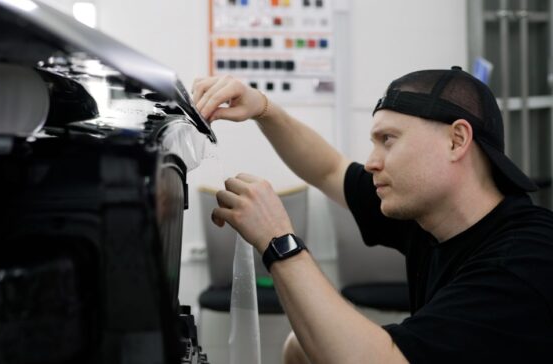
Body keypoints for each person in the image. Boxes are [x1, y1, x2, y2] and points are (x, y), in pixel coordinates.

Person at [191, 67, 553, 363]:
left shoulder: (524, 259)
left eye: (389, 140)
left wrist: (278, 241)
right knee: (300, 348)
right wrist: (264, 108)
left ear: (457, 141)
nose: (371, 162)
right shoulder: (430, 217)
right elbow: (329, 169)